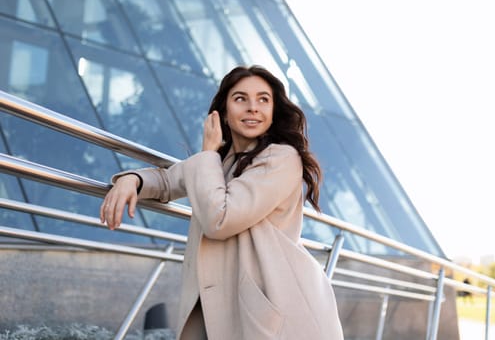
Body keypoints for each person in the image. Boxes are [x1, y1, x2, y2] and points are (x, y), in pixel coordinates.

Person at [100, 65, 344, 339]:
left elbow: (220, 219)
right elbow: (169, 180)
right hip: (222, 305)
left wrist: (207, 152)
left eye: (263, 99)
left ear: (273, 113)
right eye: (241, 99)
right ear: (224, 114)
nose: (253, 107)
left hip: (277, 310)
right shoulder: (220, 161)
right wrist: (132, 180)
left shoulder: (281, 158)